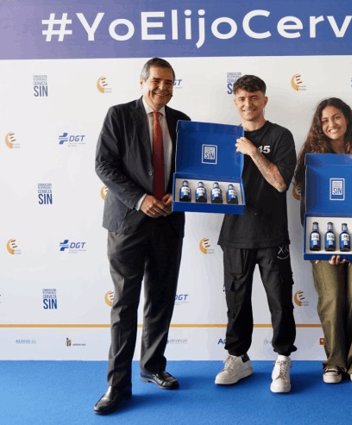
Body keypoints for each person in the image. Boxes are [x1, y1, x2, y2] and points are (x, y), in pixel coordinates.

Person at [93, 57, 190, 414]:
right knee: (124, 306)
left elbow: (190, 170)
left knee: (161, 300)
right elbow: (104, 165)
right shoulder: (118, 115)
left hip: (168, 222)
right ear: (142, 81)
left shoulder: (183, 122)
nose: (163, 88)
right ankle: (117, 385)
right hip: (127, 226)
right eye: (157, 81)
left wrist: (176, 193)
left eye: (169, 83)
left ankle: (153, 367)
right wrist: (140, 199)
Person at [292, 98, 352, 384]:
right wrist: (326, 245)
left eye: (336, 117)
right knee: (332, 298)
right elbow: (304, 201)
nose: (331, 124)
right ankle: (334, 362)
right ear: (318, 126)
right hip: (323, 241)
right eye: (325, 120)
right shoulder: (311, 152)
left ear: (347, 118)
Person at [215, 75, 297, 394]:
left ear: (264, 99)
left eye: (253, 97)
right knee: (236, 301)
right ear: (235, 102)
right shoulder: (225, 137)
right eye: (241, 99)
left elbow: (279, 182)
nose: (247, 104)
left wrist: (252, 151)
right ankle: (238, 357)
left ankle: (282, 360)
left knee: (280, 301)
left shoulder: (280, 136)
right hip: (235, 233)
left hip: (272, 235)